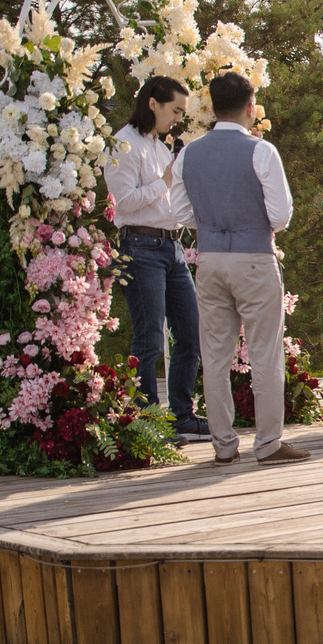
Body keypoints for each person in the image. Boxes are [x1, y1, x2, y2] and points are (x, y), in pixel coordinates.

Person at [167, 72, 303, 465]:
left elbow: (179, 213)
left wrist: (210, 225)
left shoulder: (189, 153)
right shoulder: (261, 151)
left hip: (210, 260)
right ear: (251, 106)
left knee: (214, 355)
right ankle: (268, 443)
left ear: (211, 108)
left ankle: (224, 445)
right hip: (254, 258)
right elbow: (280, 215)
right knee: (264, 353)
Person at [106, 76, 209, 443]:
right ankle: (148, 422)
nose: (178, 118)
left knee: (191, 332)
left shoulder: (160, 147)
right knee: (149, 338)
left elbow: (171, 199)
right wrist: (164, 181)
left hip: (172, 247)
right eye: (175, 110)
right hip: (140, 246)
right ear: (153, 103)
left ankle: (181, 416)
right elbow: (123, 203)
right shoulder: (122, 143)